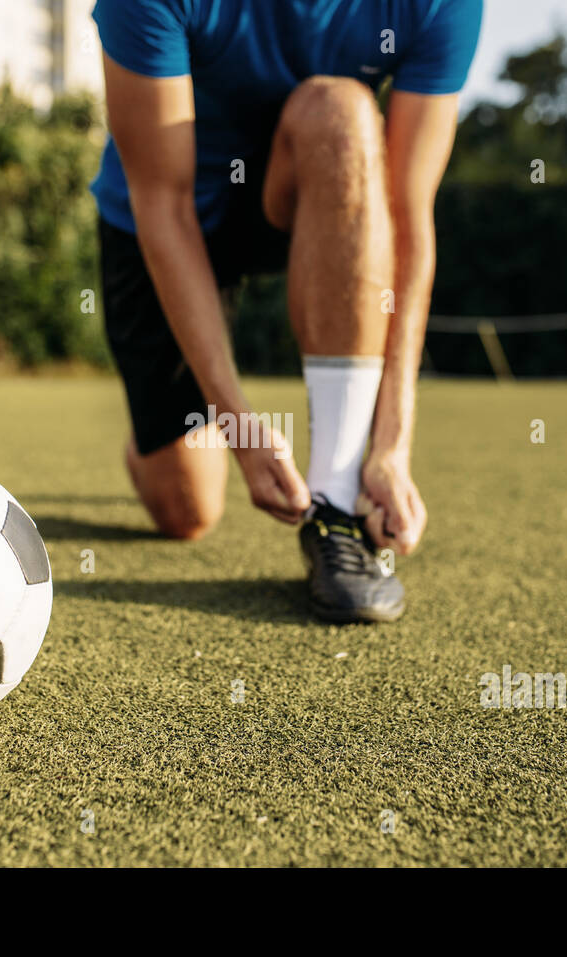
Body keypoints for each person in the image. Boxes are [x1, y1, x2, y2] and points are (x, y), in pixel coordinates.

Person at [92, 0, 483, 622]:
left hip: (310, 190)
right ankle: (152, 442)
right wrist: (236, 420)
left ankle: (335, 507)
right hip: (166, 216)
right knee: (186, 513)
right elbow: (163, 205)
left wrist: (392, 442)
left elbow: (408, 219)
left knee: (341, 109)